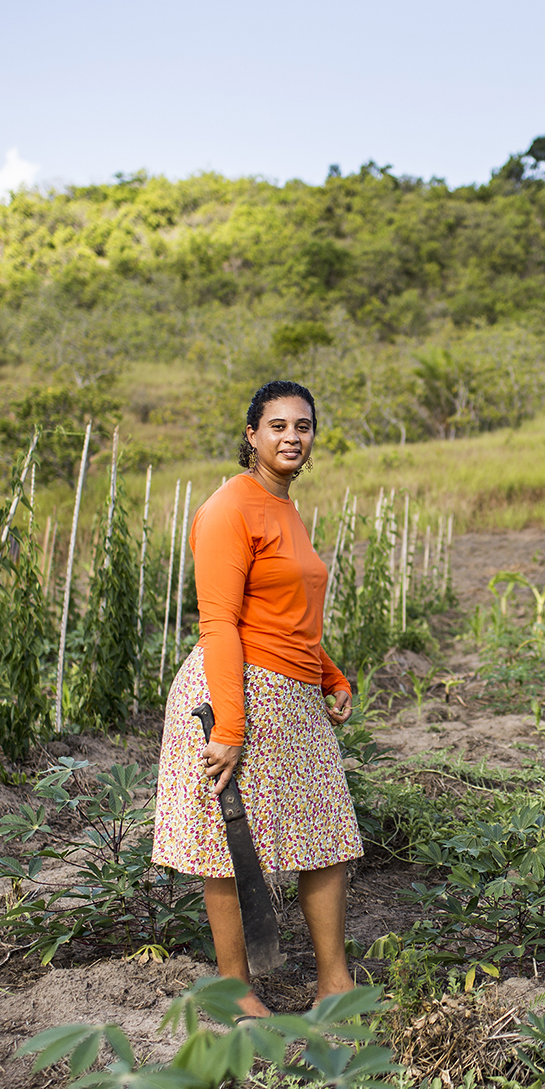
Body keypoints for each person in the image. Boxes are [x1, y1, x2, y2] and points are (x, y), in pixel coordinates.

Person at [153, 380, 361, 1018]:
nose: (292, 437)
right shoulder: (229, 509)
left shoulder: (285, 507)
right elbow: (220, 623)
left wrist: (329, 675)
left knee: (325, 832)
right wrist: (230, 729)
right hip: (233, 690)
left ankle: (336, 983)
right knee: (225, 841)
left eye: (303, 426)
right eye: (277, 426)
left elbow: (285, 615)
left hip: (292, 691)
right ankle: (234, 988)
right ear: (252, 436)